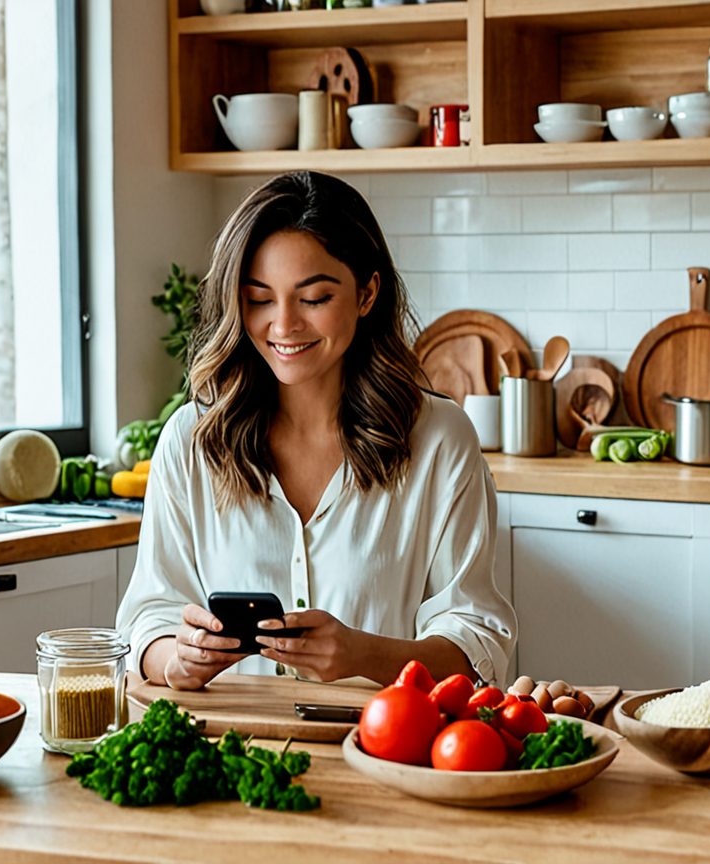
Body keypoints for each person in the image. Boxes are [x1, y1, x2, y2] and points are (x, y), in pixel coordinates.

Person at [117, 171, 515, 691]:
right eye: (260, 299)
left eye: (314, 298)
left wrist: (363, 654)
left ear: (367, 293)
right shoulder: (191, 440)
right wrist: (176, 658)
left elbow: (478, 645)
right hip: (229, 737)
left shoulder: (440, 440)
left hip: (384, 737)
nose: (284, 325)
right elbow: (148, 617)